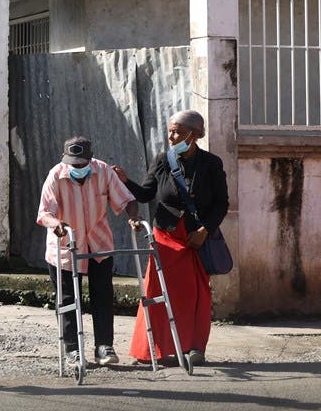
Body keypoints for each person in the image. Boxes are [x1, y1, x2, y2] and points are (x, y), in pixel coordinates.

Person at [114, 110, 228, 368]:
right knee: (157, 292)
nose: (172, 136)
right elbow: (145, 194)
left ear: (195, 134)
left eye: (177, 131)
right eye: (170, 131)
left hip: (193, 239)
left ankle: (193, 348)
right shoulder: (162, 160)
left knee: (195, 295)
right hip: (164, 237)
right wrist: (126, 181)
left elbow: (221, 204)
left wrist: (204, 231)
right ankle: (153, 349)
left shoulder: (211, 164)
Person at [37, 136, 139, 367]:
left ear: (90, 160)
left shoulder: (103, 171)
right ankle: (72, 349)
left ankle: (104, 346)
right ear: (66, 160)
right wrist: (56, 224)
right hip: (66, 245)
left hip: (99, 243)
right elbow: (44, 212)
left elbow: (127, 199)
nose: (77, 168)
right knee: (67, 299)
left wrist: (133, 216)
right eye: (73, 164)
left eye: (81, 164)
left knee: (102, 295)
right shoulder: (56, 175)